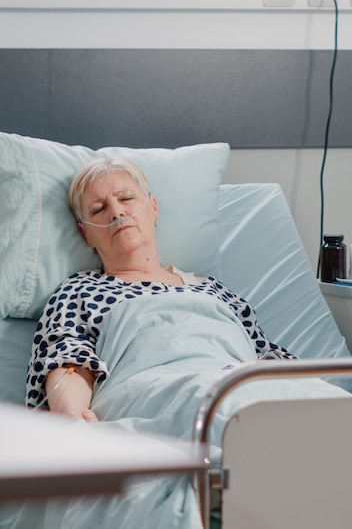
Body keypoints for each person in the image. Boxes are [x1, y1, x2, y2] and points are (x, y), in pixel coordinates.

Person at [26, 156, 296, 422]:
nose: (117, 212)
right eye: (98, 209)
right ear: (86, 234)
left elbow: (266, 357)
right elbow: (67, 359)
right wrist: (73, 415)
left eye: (126, 198)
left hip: (241, 386)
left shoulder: (215, 291)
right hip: (158, 395)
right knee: (218, 409)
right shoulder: (79, 290)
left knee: (319, 403)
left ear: (153, 208)